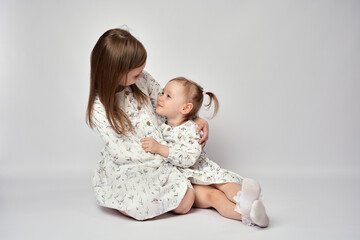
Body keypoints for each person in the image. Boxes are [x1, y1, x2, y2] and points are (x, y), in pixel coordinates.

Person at [86, 28, 210, 220]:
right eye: (136, 74)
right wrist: (161, 156)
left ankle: (241, 204)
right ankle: (125, 198)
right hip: (132, 163)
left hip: (161, 151)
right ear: (114, 73)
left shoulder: (143, 81)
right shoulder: (99, 108)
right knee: (184, 200)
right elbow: (122, 152)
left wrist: (194, 119)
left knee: (196, 186)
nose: (142, 75)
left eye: (142, 70)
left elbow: (167, 107)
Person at [140, 77, 269, 227]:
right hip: (184, 181)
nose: (160, 97)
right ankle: (251, 217)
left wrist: (161, 149)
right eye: (162, 92)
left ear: (185, 108)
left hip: (202, 171)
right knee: (214, 197)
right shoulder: (160, 125)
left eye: (168, 96)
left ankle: (247, 200)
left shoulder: (192, 129)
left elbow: (189, 159)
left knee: (225, 183)